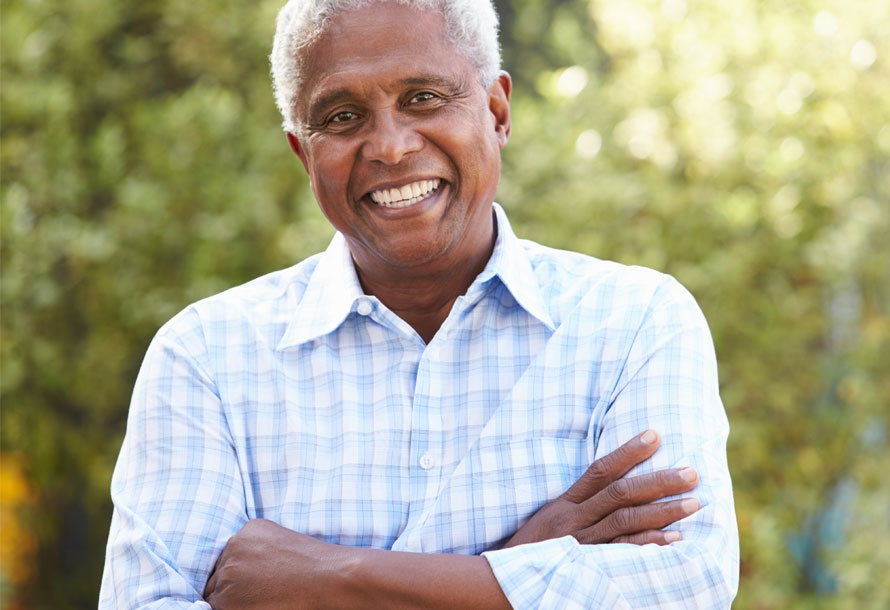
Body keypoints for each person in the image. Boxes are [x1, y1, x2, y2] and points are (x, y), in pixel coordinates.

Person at [99, 0, 739, 607]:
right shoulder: (205, 358)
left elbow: (687, 584)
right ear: (303, 152)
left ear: (497, 112)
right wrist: (519, 567)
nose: (391, 146)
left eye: (423, 98)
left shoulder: (632, 322)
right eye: (342, 117)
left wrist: (329, 580)